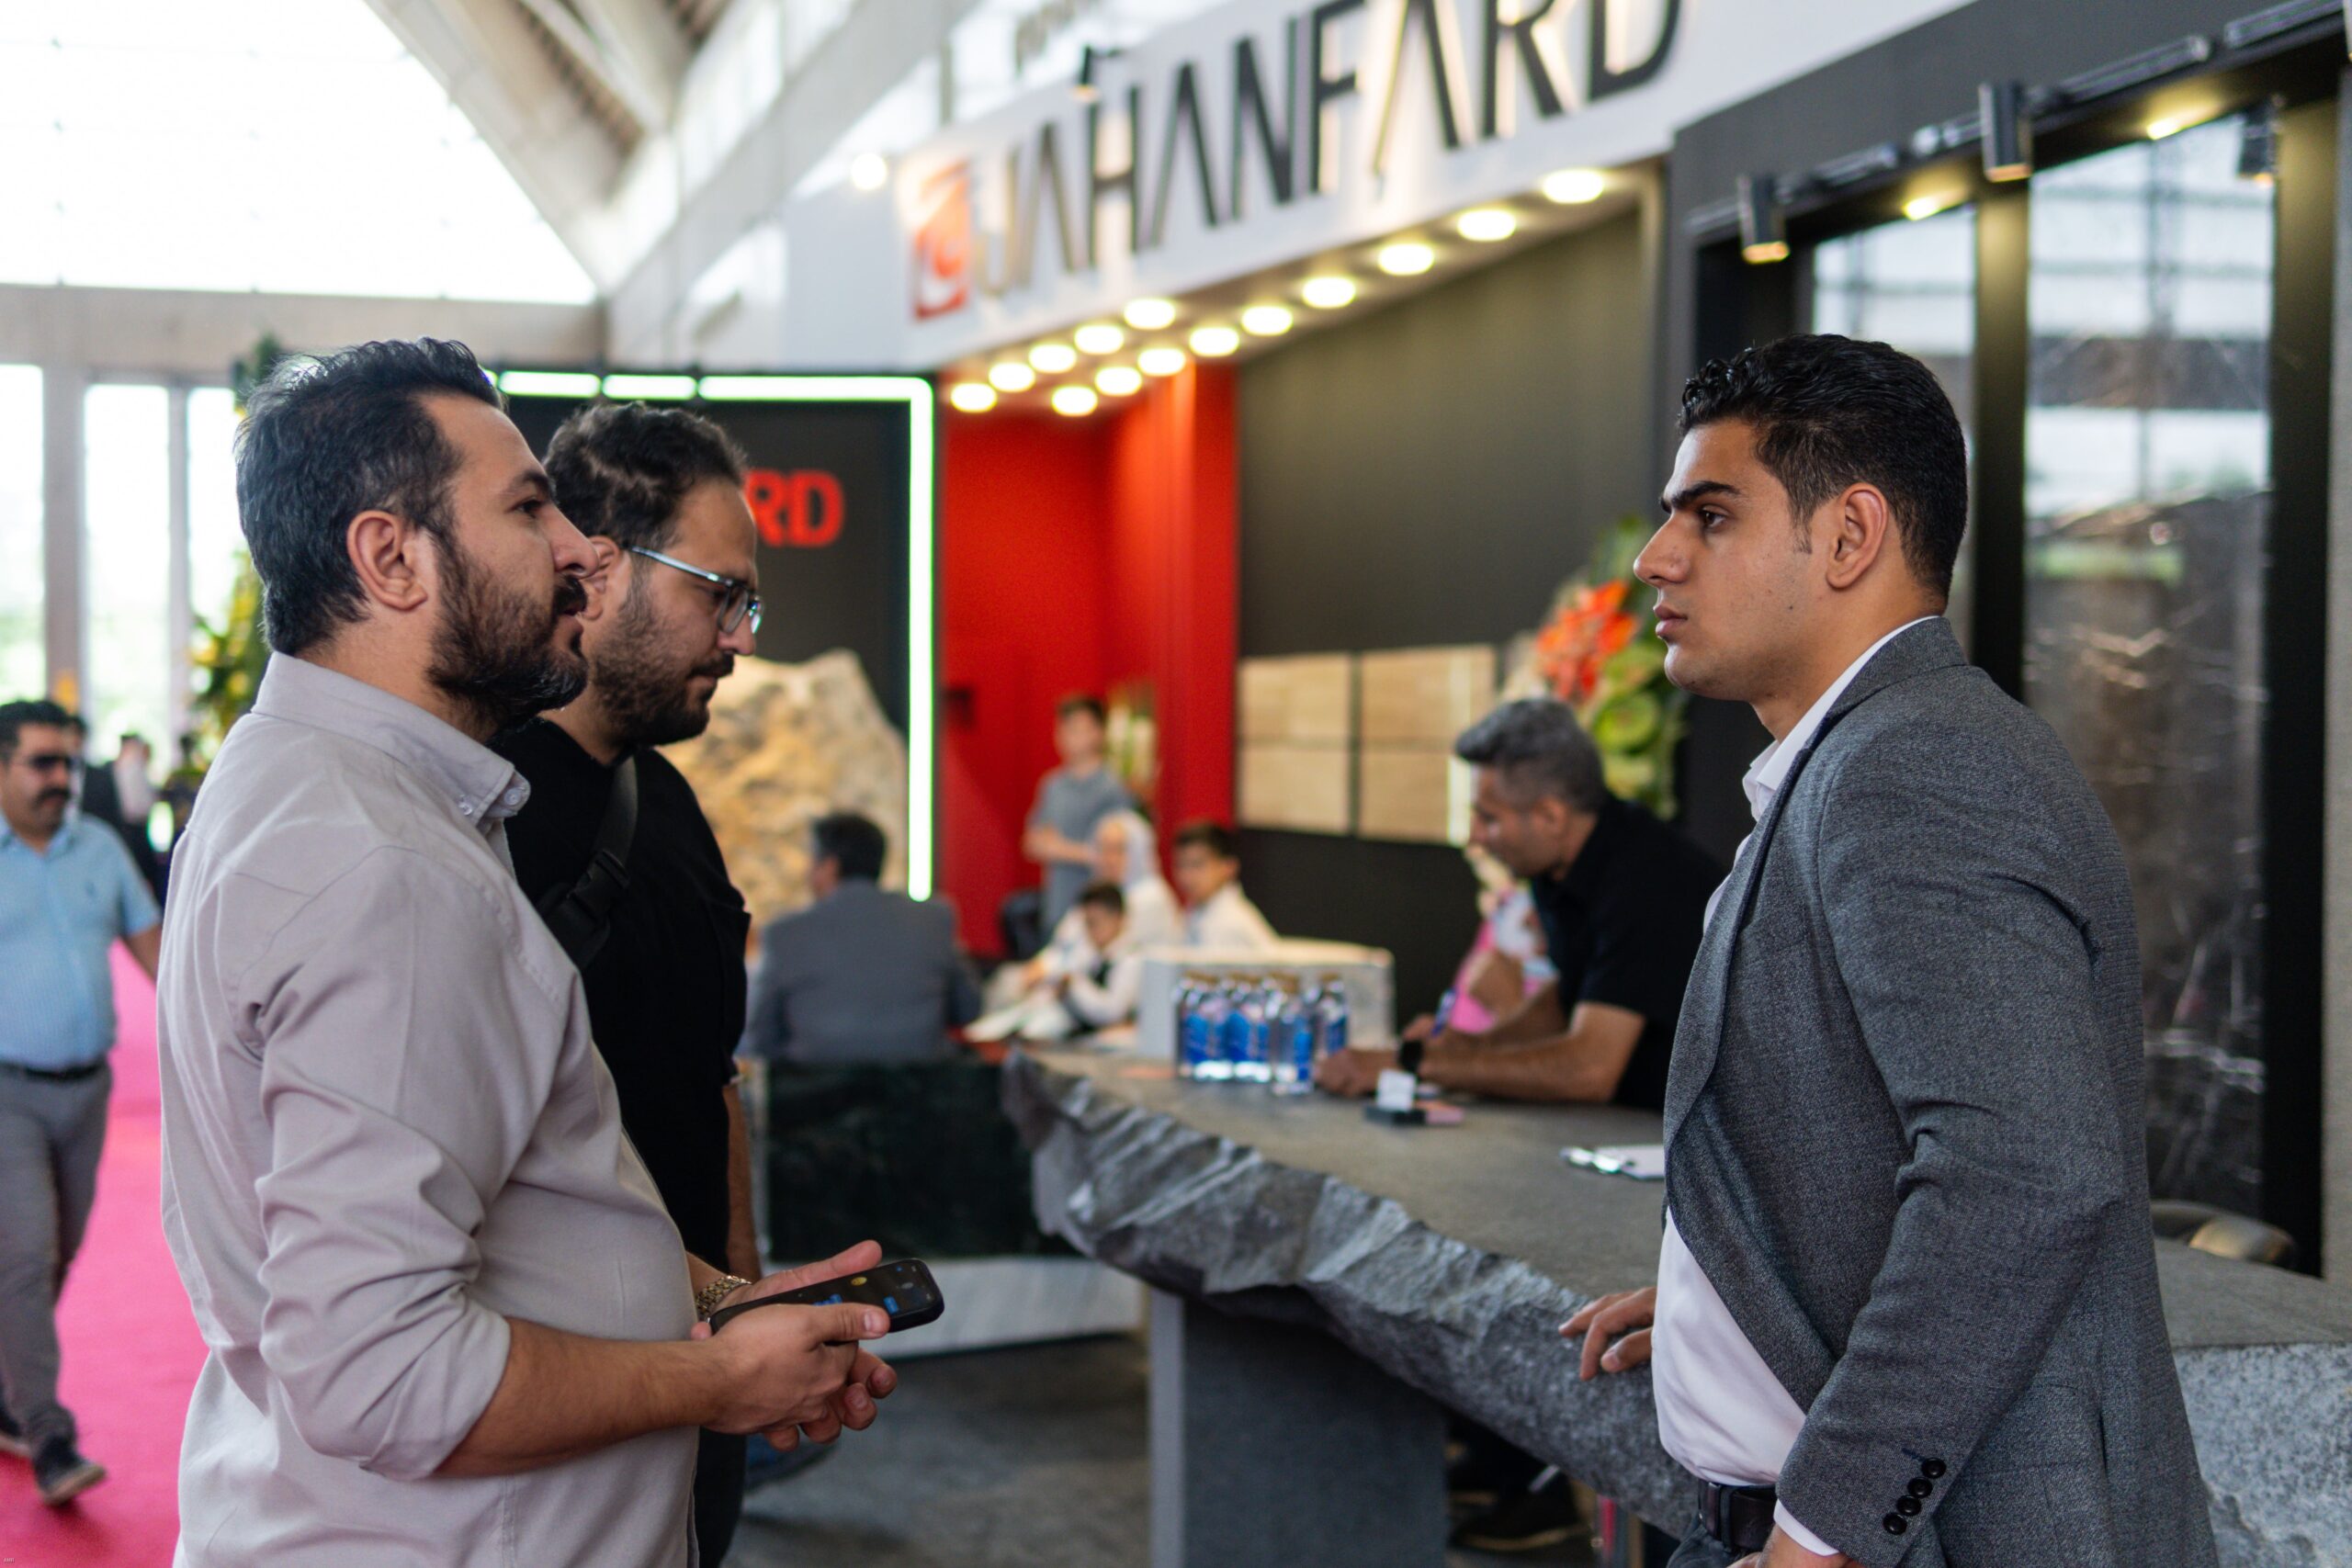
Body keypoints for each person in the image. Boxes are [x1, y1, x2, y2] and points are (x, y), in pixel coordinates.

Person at [155, 338, 894, 1568]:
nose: (576, 550)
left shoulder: (304, 781)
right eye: (528, 507)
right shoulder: (380, 865)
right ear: (390, 558)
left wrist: (715, 1298)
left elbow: (504, 1213)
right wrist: (715, 1380)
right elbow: (386, 1377)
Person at [1564, 334, 2216, 1568]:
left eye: (1710, 514)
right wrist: (1740, 1302)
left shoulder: (1916, 764)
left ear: (1850, 536)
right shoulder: (1862, 757)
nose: (1656, 556)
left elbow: (2023, 1173)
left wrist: (1826, 1530)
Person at [491, 400, 772, 1562]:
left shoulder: (667, 797)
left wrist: (746, 1302)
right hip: (551, 1407)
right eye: (721, 594)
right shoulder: (479, 809)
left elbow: (711, 1080)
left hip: (695, 1381)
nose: (739, 638)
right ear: (600, 573)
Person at [1316, 700, 1718, 1110]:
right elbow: (1571, 996)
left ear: (1550, 817)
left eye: (1489, 819)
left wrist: (1417, 1062)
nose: (1475, 837)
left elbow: (1589, 1070)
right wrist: (1466, 1047)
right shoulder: (1557, 865)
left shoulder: (1645, 878)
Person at [0, 697, 161, 1506]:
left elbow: (160, 956)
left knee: (55, 1253)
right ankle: (49, 1434)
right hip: (6, 1095)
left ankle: (6, 1387)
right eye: (41, 762)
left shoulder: (99, 846)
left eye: (67, 761)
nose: (61, 778)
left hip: (88, 1093)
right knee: (26, 1255)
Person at [745, 810, 981, 1067]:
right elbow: (968, 1010)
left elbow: (761, 1037)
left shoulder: (784, 934)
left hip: (814, 1088)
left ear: (830, 866)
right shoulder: (933, 919)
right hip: (921, 1087)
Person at [1023, 694, 1133, 933]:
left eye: (1077, 729)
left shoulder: (1112, 789)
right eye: (1063, 729)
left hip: (1096, 913)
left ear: (1098, 733)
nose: (1067, 737)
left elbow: (1116, 855)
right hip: (1056, 904)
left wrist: (1060, 848)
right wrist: (1074, 849)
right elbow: (1032, 842)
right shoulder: (1053, 785)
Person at [64, 716, 164, 899]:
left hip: (94, 857)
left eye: (76, 735)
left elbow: (116, 820)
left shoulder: (102, 776)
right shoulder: (47, 778)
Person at [1170, 819, 1278, 949]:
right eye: (1181, 865)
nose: (1186, 875)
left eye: (1197, 865)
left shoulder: (1230, 923)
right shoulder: (1197, 910)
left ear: (1228, 867)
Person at [1054, 881, 1146, 1031]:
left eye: (1094, 923)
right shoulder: (1096, 955)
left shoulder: (1132, 959)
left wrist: (1073, 984)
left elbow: (1112, 1012)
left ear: (1117, 918)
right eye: (1087, 923)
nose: (1090, 931)